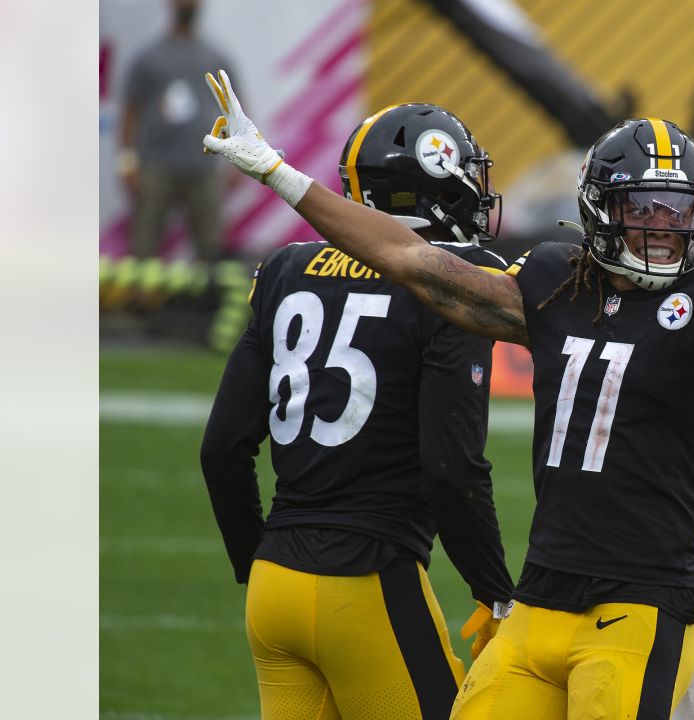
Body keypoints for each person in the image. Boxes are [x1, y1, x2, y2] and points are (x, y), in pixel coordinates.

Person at [202, 70, 694, 720]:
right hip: (537, 603)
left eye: (679, 211)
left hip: (634, 611)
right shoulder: (558, 286)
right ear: (598, 208)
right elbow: (413, 261)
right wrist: (278, 172)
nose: (663, 227)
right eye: (642, 208)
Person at [199, 102, 516, 720]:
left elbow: (221, 449)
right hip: (368, 579)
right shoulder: (459, 280)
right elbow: (451, 467)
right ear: (435, 184)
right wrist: (496, 592)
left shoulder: (288, 267)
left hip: (273, 587)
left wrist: (258, 559)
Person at [119, 0, 236, 262]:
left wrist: (237, 163)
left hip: (203, 166)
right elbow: (129, 111)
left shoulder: (215, 57)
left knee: (210, 247)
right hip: (155, 165)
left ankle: (208, 301)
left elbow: (235, 111)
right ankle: (143, 301)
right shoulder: (148, 57)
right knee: (145, 243)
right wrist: (127, 162)